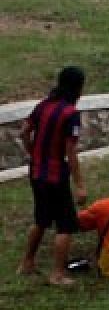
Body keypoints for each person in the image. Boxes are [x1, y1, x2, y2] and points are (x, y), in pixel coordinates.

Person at [18, 66, 87, 287]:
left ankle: (27, 263)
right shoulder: (70, 114)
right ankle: (57, 273)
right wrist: (79, 184)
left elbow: (23, 132)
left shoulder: (43, 105)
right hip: (56, 175)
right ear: (78, 88)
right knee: (65, 224)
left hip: (36, 171)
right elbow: (70, 151)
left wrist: (32, 152)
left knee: (41, 218)